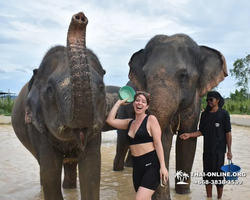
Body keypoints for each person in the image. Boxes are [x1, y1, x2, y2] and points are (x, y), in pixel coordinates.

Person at [106, 91, 169, 200]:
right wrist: (118, 103)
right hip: (137, 167)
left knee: (139, 198)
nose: (139, 103)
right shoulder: (129, 123)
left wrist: (163, 166)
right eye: (137, 100)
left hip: (152, 165)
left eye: (143, 102)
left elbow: (158, 143)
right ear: (133, 103)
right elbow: (109, 120)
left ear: (147, 106)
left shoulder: (151, 119)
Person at [180, 91, 232, 199]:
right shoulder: (204, 115)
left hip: (219, 151)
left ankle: (219, 197)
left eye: (211, 100)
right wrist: (189, 135)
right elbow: (201, 131)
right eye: (207, 100)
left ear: (217, 100)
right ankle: (209, 197)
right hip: (207, 150)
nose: (209, 102)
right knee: (207, 175)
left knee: (218, 176)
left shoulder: (224, 114)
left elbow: (228, 133)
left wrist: (229, 150)